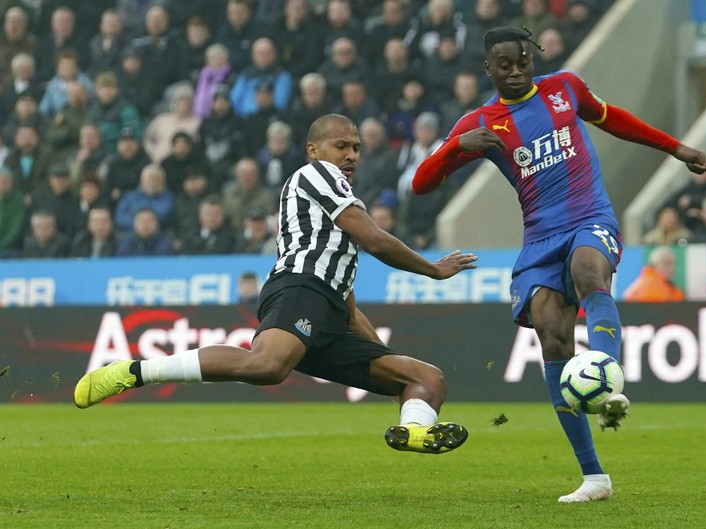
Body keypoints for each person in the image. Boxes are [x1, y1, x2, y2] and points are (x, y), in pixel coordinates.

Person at [411, 27, 706, 502]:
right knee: (552, 338)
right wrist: (456, 146)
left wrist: (675, 148)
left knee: (589, 273)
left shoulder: (565, 87)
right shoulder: (483, 122)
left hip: (590, 216)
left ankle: (607, 375)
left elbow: (614, 120)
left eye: (521, 62)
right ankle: (595, 478)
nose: (515, 71)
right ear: (488, 70)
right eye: (504, 65)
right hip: (539, 238)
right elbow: (421, 185)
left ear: (531, 58)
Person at [75, 114, 477, 456]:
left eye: (356, 147)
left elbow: (344, 299)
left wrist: (385, 366)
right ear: (313, 151)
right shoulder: (316, 175)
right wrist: (432, 269)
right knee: (267, 365)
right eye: (341, 146)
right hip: (299, 288)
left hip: (329, 309)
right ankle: (135, 370)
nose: (351, 155)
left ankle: (415, 430)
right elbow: (373, 239)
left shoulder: (334, 205)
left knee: (426, 379)